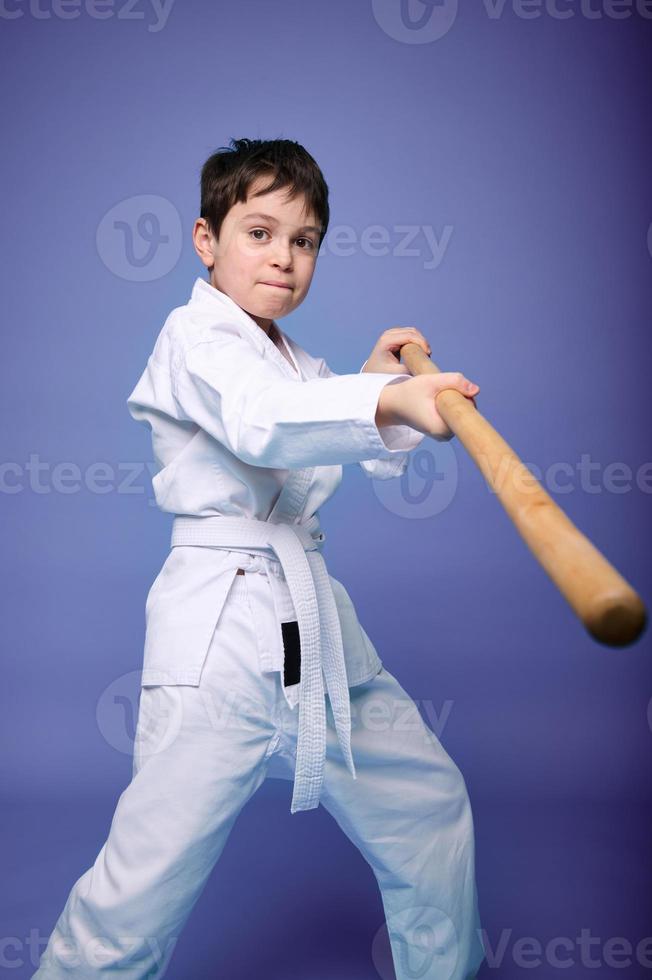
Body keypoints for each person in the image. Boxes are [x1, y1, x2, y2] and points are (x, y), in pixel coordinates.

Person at [33, 138, 486, 979]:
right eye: (260, 231)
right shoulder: (194, 336)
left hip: (316, 637)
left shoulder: (292, 359)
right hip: (220, 643)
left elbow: (307, 436)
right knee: (139, 893)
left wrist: (372, 385)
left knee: (429, 809)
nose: (283, 256)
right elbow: (260, 419)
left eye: (304, 239)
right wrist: (386, 398)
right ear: (207, 240)